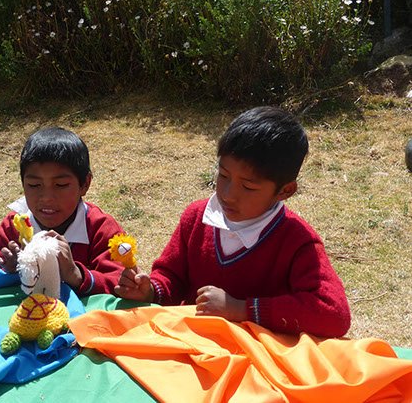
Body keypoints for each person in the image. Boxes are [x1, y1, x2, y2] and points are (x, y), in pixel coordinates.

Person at [115, 106, 351, 338]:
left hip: (255, 355)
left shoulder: (296, 241)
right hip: (192, 343)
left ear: (285, 191)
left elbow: (334, 314)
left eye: (248, 186)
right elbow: (171, 278)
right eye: (223, 175)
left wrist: (241, 309)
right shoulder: (196, 218)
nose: (228, 194)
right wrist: (149, 291)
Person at [0, 127, 126, 295]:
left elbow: (121, 284)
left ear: (85, 184)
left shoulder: (101, 229)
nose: (46, 198)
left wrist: (76, 274)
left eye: (61, 185)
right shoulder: (13, 228)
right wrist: (11, 271)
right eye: (34, 185)